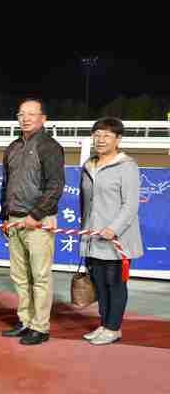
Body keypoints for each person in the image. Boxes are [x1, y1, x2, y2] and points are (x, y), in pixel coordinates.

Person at [0, 98, 65, 345]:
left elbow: (55, 186)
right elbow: (6, 185)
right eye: (21, 114)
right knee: (19, 276)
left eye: (31, 114)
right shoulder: (13, 147)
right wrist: (4, 216)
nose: (25, 118)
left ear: (43, 118)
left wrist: (35, 215)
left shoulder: (49, 146)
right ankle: (25, 320)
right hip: (14, 220)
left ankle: (40, 326)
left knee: (40, 276)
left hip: (38, 221)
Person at [79, 117, 143, 345]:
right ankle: (104, 324)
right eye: (97, 134)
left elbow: (131, 205)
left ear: (118, 139)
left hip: (117, 240)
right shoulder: (88, 165)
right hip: (93, 236)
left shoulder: (127, 166)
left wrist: (113, 229)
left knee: (115, 284)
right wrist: (85, 229)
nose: (100, 139)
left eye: (107, 135)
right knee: (99, 283)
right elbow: (85, 201)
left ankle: (114, 328)